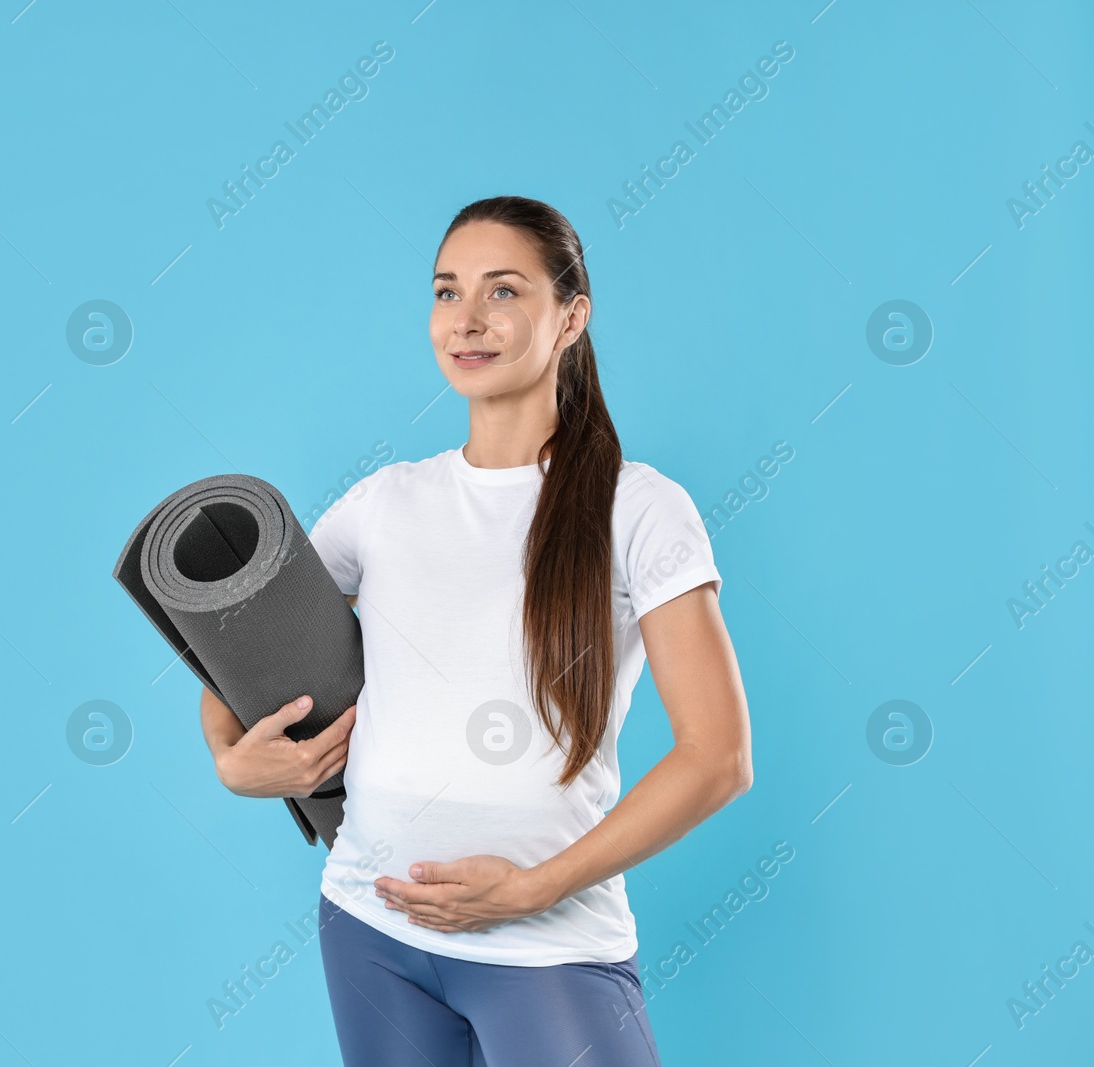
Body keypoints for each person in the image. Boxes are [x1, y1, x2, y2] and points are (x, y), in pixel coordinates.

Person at [198, 195, 752, 1066]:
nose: (468, 320)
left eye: (503, 292)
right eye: (447, 292)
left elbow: (717, 755)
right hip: (369, 926)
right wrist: (234, 758)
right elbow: (235, 647)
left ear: (571, 316)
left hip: (547, 946)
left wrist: (535, 889)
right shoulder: (384, 502)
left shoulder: (639, 508)